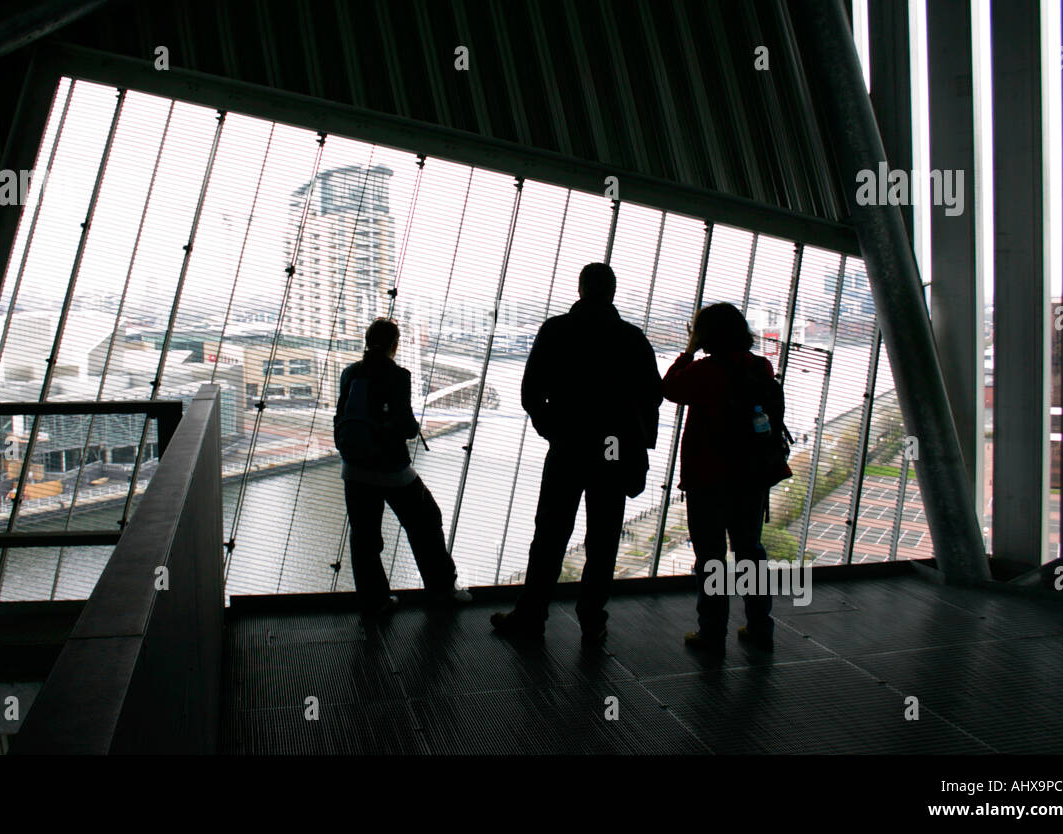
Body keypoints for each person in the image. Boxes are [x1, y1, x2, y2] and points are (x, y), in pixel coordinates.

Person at [491, 263, 661, 646]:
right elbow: (652, 396)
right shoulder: (632, 338)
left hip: (569, 445)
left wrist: (553, 429)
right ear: (613, 292)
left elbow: (530, 391)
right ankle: (592, 620)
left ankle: (531, 616)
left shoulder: (556, 331)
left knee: (549, 534)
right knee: (603, 538)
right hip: (612, 448)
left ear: (581, 289)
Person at [662, 302, 784, 656]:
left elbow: (669, 389)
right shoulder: (759, 366)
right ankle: (761, 626)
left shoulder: (705, 371)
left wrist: (688, 350)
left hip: (710, 477)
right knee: (750, 551)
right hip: (752, 474)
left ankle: (712, 633)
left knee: (711, 557)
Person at [336, 318, 471, 617]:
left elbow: (339, 418)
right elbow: (406, 427)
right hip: (392, 470)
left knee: (364, 538)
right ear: (395, 345)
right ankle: (442, 589)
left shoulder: (349, 373)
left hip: (354, 469)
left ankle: (375, 602)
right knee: (426, 520)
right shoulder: (398, 376)